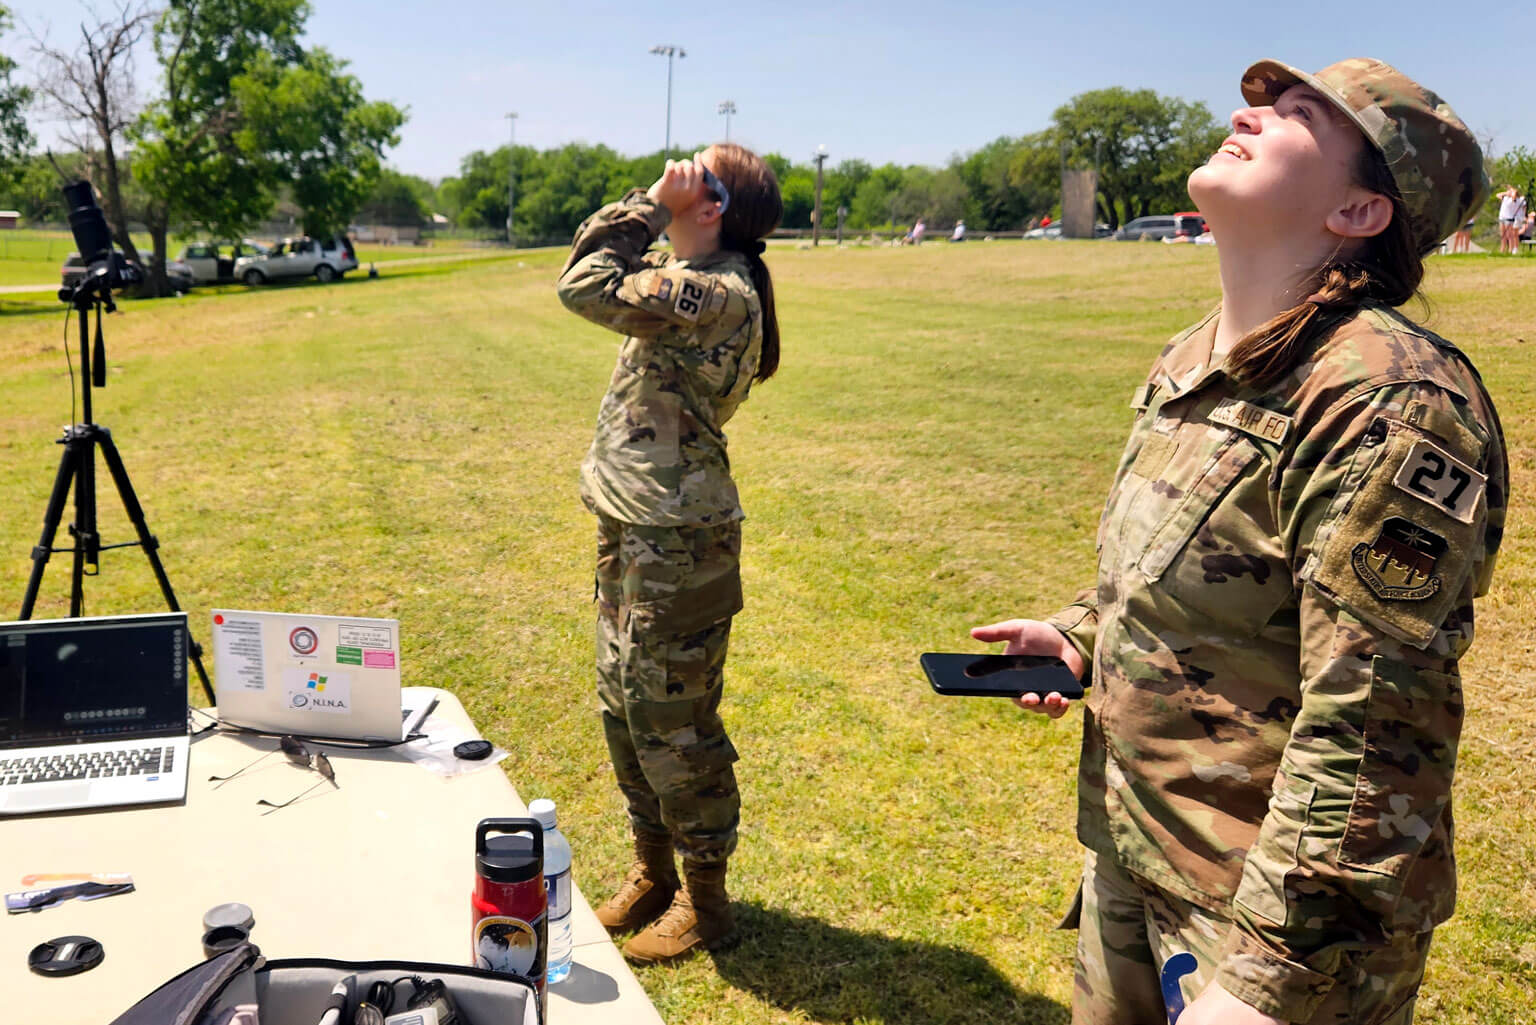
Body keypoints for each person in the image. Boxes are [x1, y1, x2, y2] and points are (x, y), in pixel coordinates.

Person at [970, 58, 1503, 1025]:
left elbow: (1378, 722)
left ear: (1358, 213)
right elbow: (1189, 557)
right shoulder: (1197, 352)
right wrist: (1082, 632)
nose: (1245, 116)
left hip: (1271, 925)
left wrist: (1263, 985)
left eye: (1299, 116)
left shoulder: (1390, 397)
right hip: (1141, 851)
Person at [556, 144, 783, 964]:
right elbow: (591, 264)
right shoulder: (683, 278)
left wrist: (651, 200)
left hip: (679, 536)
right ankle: (653, 871)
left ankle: (706, 898)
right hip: (633, 520)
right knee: (623, 704)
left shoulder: (716, 291)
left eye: (694, 170)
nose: (675, 170)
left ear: (712, 203)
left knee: (673, 722)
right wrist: (653, 214)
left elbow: (579, 283)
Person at [1495, 185, 1519, 253]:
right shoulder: (1505, 198)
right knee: (1503, 235)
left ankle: (1510, 249)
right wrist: (1506, 193)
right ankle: (1502, 249)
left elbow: (1514, 194)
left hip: (1509, 219)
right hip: (1502, 218)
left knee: (1509, 235)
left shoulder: (1514, 200)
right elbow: (1498, 195)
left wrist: (1512, 190)